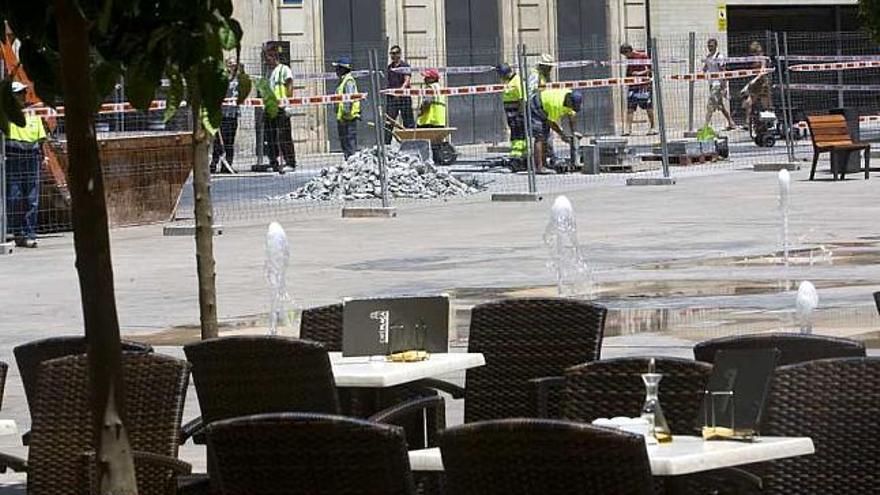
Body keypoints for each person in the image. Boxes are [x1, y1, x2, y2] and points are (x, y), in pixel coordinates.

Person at [5, 82, 46, 248]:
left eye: (22, 93)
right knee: (14, 196)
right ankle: (17, 232)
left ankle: (29, 233)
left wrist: (44, 157)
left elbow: (41, 138)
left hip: (32, 157)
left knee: (32, 198)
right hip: (13, 156)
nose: (21, 96)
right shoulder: (6, 113)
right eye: (17, 93)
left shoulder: (33, 113)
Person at [529, 88, 583, 174]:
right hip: (535, 105)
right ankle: (539, 167)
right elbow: (551, 122)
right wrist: (562, 135)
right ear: (569, 101)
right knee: (540, 136)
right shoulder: (556, 105)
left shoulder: (570, 96)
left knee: (545, 136)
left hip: (545, 106)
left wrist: (574, 132)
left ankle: (544, 164)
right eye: (572, 106)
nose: (572, 108)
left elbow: (572, 115)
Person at [263, 46, 296, 174]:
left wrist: (288, 103)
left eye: (268, 58)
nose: (266, 61)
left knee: (284, 136)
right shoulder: (268, 72)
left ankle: (290, 162)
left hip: (282, 108)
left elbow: (289, 85)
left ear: (274, 57)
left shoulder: (284, 70)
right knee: (270, 136)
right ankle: (274, 162)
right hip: (270, 108)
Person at [210, 56, 241, 173]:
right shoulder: (222, 79)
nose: (233, 67)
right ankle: (214, 164)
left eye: (234, 65)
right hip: (222, 113)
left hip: (233, 113)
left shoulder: (238, 79)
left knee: (229, 141)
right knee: (218, 141)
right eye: (231, 64)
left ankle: (227, 165)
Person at [620, 43, 656, 136]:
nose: (626, 56)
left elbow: (650, 69)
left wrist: (640, 73)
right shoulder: (629, 59)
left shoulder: (642, 56)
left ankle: (653, 127)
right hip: (633, 86)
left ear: (629, 51)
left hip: (644, 86)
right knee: (630, 108)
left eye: (626, 54)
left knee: (648, 107)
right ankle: (628, 129)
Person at [702, 39, 737, 131]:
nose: (710, 48)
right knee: (720, 106)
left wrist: (724, 86)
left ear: (716, 46)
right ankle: (731, 122)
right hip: (711, 83)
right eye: (708, 46)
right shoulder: (708, 56)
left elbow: (723, 71)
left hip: (718, 83)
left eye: (711, 46)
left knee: (710, 104)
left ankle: (705, 126)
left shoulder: (719, 57)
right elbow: (705, 68)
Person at [496, 63, 526, 165]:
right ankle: (517, 152)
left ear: (505, 73)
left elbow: (522, 99)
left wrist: (520, 113)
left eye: (501, 75)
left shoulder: (517, 81)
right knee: (514, 131)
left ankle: (518, 153)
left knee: (518, 132)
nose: (500, 77)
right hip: (511, 113)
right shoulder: (509, 81)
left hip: (517, 113)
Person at [385, 45, 414, 144]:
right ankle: (387, 144)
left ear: (399, 54)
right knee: (389, 121)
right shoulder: (389, 67)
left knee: (408, 121)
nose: (393, 56)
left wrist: (400, 91)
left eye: (395, 53)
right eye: (391, 53)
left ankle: (410, 142)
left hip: (404, 98)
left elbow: (407, 81)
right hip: (392, 98)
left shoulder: (404, 66)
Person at [333, 56, 360, 159]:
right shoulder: (343, 80)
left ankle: (352, 164)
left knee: (350, 144)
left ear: (343, 69)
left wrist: (345, 114)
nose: (336, 70)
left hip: (348, 118)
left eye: (338, 68)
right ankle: (348, 162)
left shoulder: (348, 81)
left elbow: (348, 99)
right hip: (343, 118)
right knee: (345, 143)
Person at [741, 41, 772, 128]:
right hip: (755, 84)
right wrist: (747, 85)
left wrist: (754, 80)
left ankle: (770, 121)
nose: (752, 54)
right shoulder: (753, 59)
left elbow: (762, 71)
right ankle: (747, 123)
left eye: (753, 51)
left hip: (763, 83)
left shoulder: (763, 58)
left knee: (766, 105)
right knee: (748, 102)